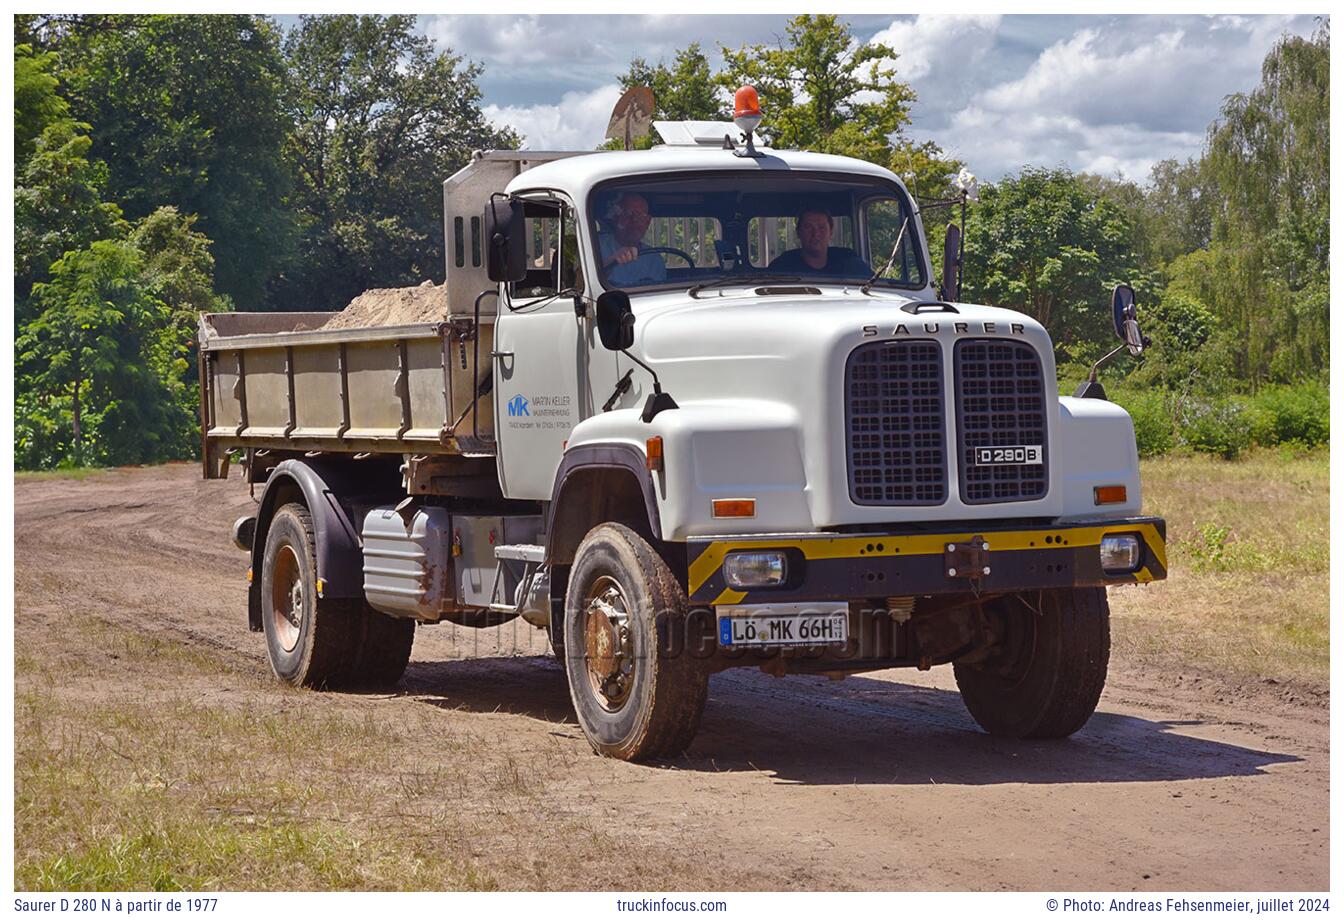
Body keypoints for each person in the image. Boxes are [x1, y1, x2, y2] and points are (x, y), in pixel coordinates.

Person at [768, 209, 869, 277]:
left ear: (831, 232)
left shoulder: (849, 263)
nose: (815, 234)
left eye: (821, 228)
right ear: (798, 232)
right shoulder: (782, 268)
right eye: (808, 227)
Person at [598, 192, 666, 287]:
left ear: (647, 222)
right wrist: (610, 262)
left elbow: (660, 294)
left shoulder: (654, 259)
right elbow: (579, 283)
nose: (634, 220)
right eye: (628, 214)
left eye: (640, 216)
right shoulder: (595, 246)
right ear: (616, 218)